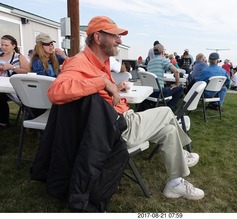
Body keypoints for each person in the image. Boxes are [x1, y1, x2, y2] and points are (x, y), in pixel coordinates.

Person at [46, 16, 204, 200]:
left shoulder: (100, 62)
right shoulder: (78, 62)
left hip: (122, 118)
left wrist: (114, 87)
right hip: (116, 129)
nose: (120, 40)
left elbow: (96, 90)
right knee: (167, 111)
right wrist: (102, 82)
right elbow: (55, 92)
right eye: (115, 36)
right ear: (98, 38)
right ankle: (184, 153)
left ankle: (175, 183)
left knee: (169, 130)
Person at [0, 35, 29, 128]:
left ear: (14, 45)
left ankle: (3, 122)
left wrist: (13, 67)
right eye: (1, 44)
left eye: (6, 45)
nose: (3, 47)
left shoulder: (19, 57)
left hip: (12, 88)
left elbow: (27, 72)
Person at [146, 44, 184, 111]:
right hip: (159, 93)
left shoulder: (150, 62)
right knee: (180, 88)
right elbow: (176, 71)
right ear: (163, 52)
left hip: (149, 92)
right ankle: (169, 108)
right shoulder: (163, 60)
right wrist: (176, 84)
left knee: (168, 87)